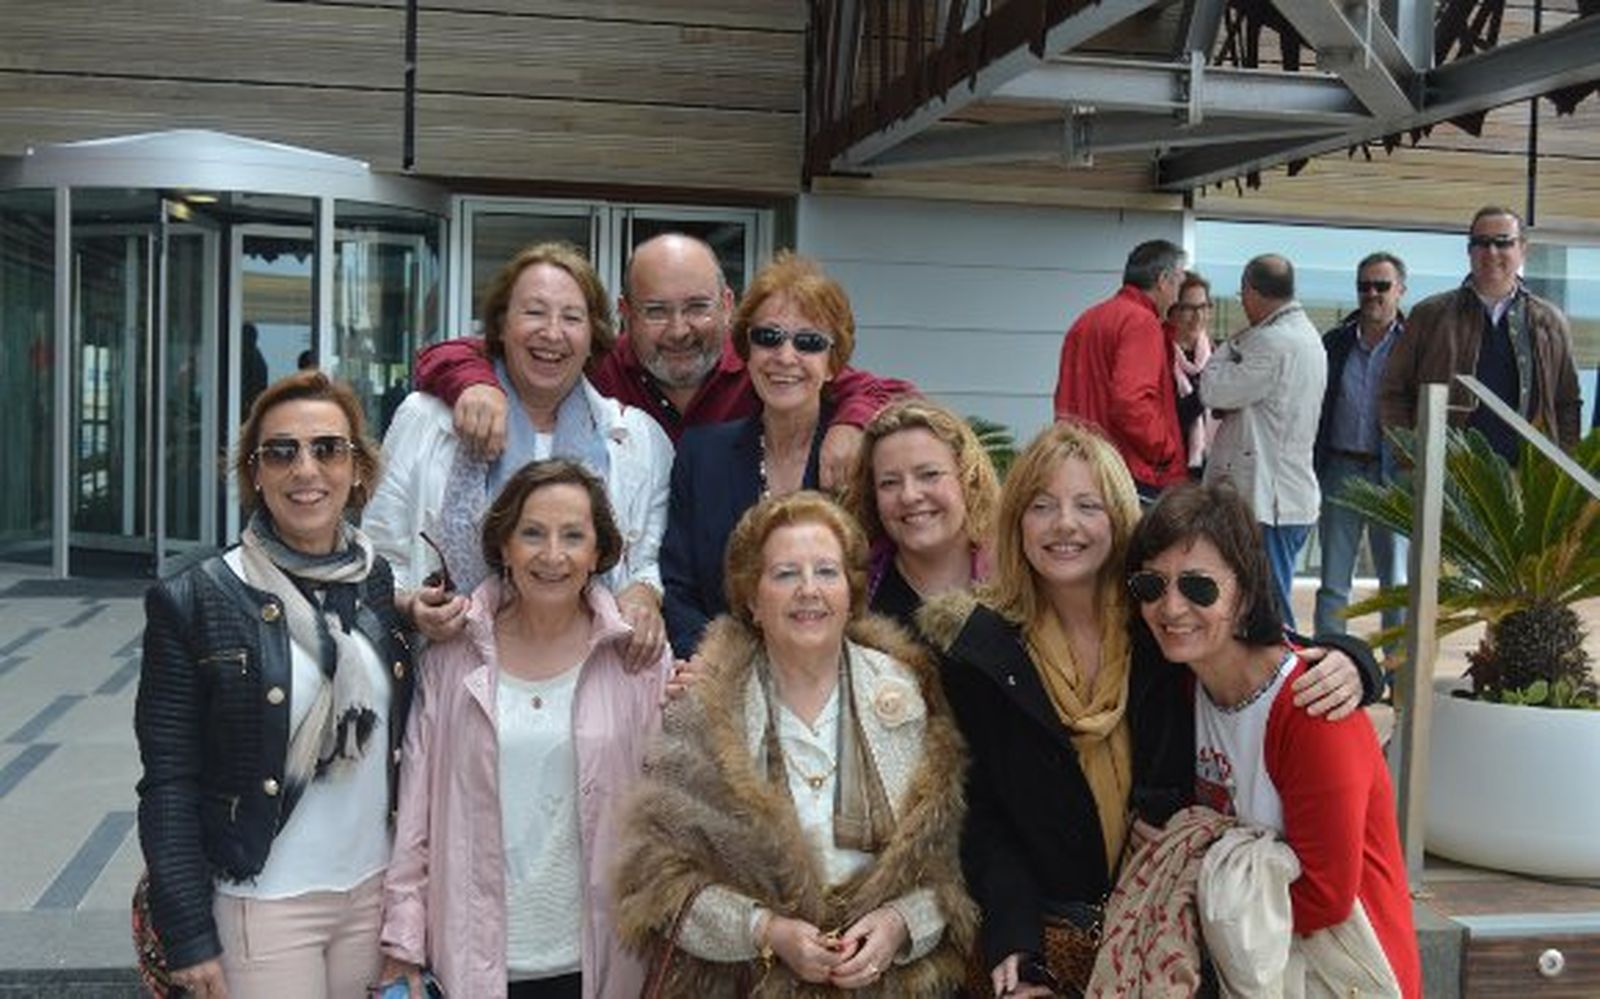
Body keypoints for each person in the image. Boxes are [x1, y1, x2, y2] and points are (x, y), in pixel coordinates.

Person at [916, 422, 1378, 999]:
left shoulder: (1164, 629)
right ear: (1016, 522)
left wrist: (1354, 660)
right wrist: (1018, 940)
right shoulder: (981, 655)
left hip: (1174, 938)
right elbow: (984, 817)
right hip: (1049, 932)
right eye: (1042, 505)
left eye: (1087, 505)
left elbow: (1262, 645)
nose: (1065, 525)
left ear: (1117, 517)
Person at [612, 492, 976, 996]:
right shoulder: (702, 711)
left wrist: (899, 925)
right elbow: (658, 883)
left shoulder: (908, 697)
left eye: (826, 572)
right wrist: (765, 932)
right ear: (753, 601)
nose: (809, 590)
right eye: (785, 574)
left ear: (850, 593)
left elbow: (948, 873)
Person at [135, 371, 419, 999]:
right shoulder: (198, 598)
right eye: (281, 451)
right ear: (254, 473)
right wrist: (185, 931)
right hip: (264, 904)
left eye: (328, 448)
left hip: (373, 897)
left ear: (358, 469)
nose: (306, 469)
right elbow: (169, 780)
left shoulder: (376, 583)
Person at [380, 460, 669, 999]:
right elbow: (415, 814)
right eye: (532, 533)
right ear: (504, 546)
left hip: (604, 964)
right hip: (471, 962)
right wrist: (402, 941)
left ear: (599, 553)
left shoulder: (638, 660)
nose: (553, 555)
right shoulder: (452, 657)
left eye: (573, 536)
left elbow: (667, 816)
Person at [1126, 482, 1421, 997]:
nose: (1171, 608)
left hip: (1336, 971)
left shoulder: (1312, 708)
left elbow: (1326, 896)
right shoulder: (1179, 684)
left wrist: (1185, 880)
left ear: (1243, 594)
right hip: (1258, 967)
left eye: (1198, 587)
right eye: (1151, 586)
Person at [364, 242, 674, 666]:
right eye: (534, 312)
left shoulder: (640, 439)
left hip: (588, 683)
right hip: (449, 679)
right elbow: (379, 556)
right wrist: (411, 606)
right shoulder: (426, 418)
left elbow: (648, 562)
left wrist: (643, 593)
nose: (551, 332)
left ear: (593, 336)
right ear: (501, 325)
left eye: (571, 317)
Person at [411, 232, 914, 488]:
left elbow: (887, 391)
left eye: (696, 307)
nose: (678, 331)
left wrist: (851, 425)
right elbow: (453, 353)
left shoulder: (767, 366)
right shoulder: (595, 364)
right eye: (656, 311)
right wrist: (476, 384)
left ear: (727, 305)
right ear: (626, 314)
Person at [661, 251, 862, 658]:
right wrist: (713, 665)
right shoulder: (700, 453)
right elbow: (678, 587)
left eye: (808, 342)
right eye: (768, 337)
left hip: (832, 675)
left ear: (831, 365)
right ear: (747, 351)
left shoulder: (858, 458)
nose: (785, 357)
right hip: (720, 679)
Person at [1380, 205, 1582, 462]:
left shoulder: (1550, 322)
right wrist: (1409, 453)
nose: (1491, 252)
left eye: (1503, 242)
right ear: (1469, 251)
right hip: (1445, 474)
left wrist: (1560, 468)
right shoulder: (1429, 315)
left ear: (1522, 250)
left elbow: (1567, 404)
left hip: (1528, 479)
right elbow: (1393, 391)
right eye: (1481, 243)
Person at [1200, 254, 1327, 631]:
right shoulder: (1308, 337)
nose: (1241, 302)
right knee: (1264, 603)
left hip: (1267, 500)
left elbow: (1213, 390)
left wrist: (1227, 345)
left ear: (1253, 291)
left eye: (1242, 293)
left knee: (1269, 611)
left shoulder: (1271, 341)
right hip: (1286, 496)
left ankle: (1286, 685)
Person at [1314, 253, 1409, 638]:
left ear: (1400, 290)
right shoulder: (1335, 342)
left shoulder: (1415, 345)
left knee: (1396, 587)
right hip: (1341, 470)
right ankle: (1327, 663)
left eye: (1381, 286)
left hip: (1394, 474)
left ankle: (1397, 673)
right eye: (1364, 286)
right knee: (1334, 583)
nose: (1372, 293)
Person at [844, 398, 999, 633]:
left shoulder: (1018, 585)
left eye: (929, 475)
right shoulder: (853, 596)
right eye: (889, 482)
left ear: (969, 479)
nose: (909, 495)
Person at [1053, 239, 1188, 501]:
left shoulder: (1087, 319)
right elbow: (1130, 401)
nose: (1178, 293)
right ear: (1163, 280)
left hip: (1081, 467)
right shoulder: (1141, 322)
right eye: (1179, 282)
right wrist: (1166, 450)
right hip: (1128, 474)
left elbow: (1064, 397)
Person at [1168, 271, 1217, 476]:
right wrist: (1209, 390)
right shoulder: (1161, 355)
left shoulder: (1215, 355)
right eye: (1189, 308)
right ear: (1172, 311)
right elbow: (1171, 417)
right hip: (1172, 466)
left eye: (1203, 307)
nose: (1198, 316)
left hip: (1210, 463)